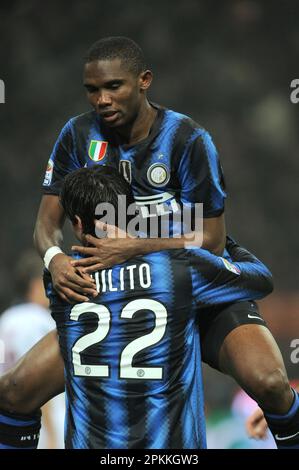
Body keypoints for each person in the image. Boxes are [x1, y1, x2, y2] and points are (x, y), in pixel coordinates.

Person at [30, 36, 298, 448]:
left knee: (270, 382)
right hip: (119, 294)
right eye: (92, 89)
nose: (101, 99)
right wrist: (54, 259)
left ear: (144, 81)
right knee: (15, 391)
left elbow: (211, 239)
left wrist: (138, 245)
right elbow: (46, 226)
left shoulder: (188, 140)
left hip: (198, 285)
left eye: (113, 86)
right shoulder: (77, 135)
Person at [0, 165, 274, 449]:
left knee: (12, 393)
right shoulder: (180, 270)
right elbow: (261, 279)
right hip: (170, 450)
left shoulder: (60, 282)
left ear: (77, 224)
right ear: (131, 215)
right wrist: (213, 238)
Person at [0, 251, 64, 449]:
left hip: (10, 424)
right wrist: (52, 435)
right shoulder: (37, 320)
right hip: (41, 428)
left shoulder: (6, 319)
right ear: (37, 285)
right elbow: (33, 379)